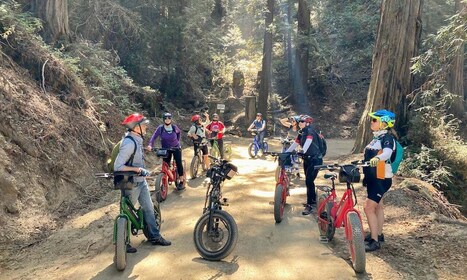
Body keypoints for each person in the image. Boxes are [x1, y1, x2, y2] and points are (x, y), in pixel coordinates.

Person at [114, 113, 171, 250]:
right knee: (126, 213)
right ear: (136, 127)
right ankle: (123, 243)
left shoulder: (137, 140)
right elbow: (118, 166)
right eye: (144, 125)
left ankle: (154, 236)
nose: (146, 127)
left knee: (149, 208)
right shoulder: (129, 143)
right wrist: (138, 169)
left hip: (141, 182)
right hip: (131, 183)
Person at [362, 109, 397, 252]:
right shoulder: (376, 138)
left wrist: (377, 159)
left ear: (384, 123)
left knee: (368, 208)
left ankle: (374, 241)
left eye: (375, 120)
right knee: (378, 207)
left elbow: (387, 152)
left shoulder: (387, 138)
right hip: (373, 178)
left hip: (381, 179)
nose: (372, 122)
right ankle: (379, 234)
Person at [285, 114, 324, 215]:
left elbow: (308, 142)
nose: (299, 123)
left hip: (315, 160)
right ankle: (313, 200)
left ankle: (310, 205)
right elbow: (295, 143)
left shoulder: (310, 131)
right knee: (309, 181)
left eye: (302, 121)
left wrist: (302, 150)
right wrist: (286, 153)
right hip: (307, 159)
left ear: (307, 123)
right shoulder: (301, 132)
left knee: (309, 181)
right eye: (299, 121)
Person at [147, 112, 185, 190]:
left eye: (169, 118)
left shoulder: (174, 127)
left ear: (171, 119)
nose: (167, 120)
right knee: (166, 164)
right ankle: (165, 178)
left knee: (178, 163)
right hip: (165, 149)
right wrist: (150, 145)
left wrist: (177, 142)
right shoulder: (160, 128)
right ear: (163, 119)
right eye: (166, 118)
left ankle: (181, 181)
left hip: (176, 148)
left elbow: (179, 133)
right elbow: (153, 137)